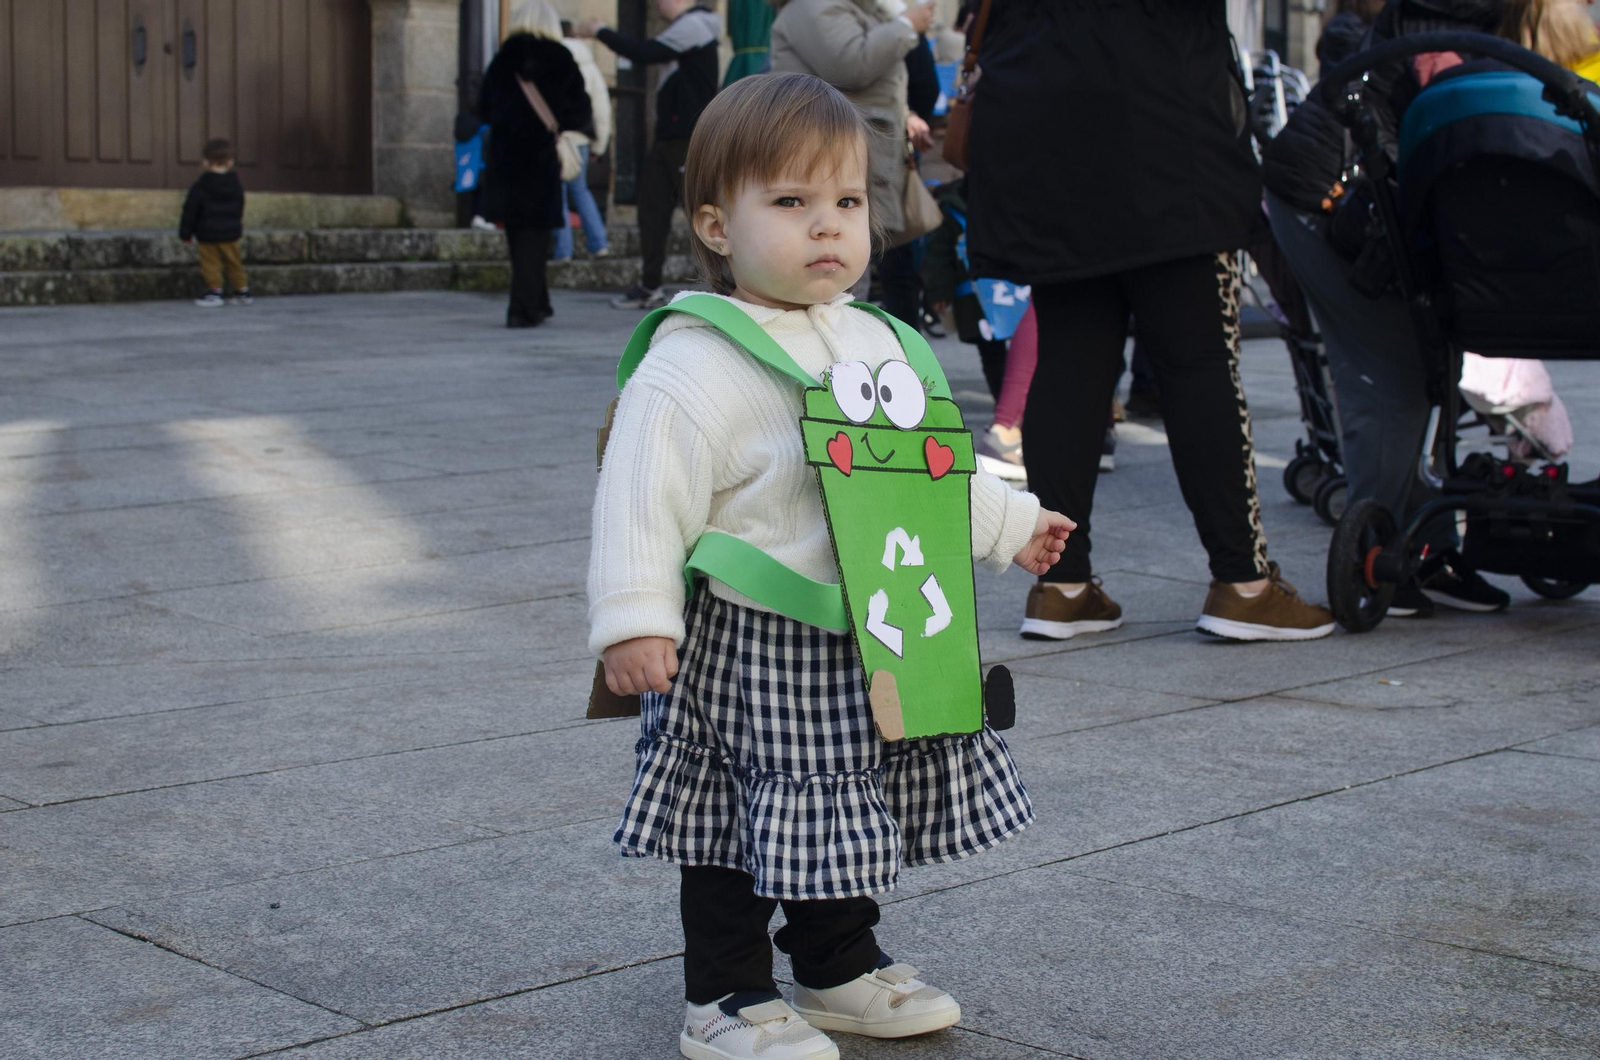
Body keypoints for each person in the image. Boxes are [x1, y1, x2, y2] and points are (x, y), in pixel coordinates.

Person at [589, 72, 1072, 1060]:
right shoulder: (697, 358)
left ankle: (836, 963)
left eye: (845, 202)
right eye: (792, 203)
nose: (827, 228)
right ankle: (723, 993)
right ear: (718, 227)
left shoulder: (881, 339)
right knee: (736, 813)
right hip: (751, 632)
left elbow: (928, 463)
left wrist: (1010, 521)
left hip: (874, 627)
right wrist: (636, 617)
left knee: (852, 798)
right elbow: (640, 493)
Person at [965, 0, 1336, 642]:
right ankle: (1243, 584)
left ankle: (1061, 586)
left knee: (1069, 359)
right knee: (1198, 360)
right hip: (1167, 122)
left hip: (1043, 118)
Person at [1262, 0, 1522, 617]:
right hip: (1332, 193)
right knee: (1391, 380)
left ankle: (1422, 549)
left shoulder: (1454, 16)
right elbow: (1445, 89)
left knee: (1403, 373)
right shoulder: (1453, 22)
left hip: (1338, 186)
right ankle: (1384, 552)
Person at [576, 0, 722, 310]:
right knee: (651, 211)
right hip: (668, 139)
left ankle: (727, 285)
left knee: (700, 212)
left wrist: (599, 31)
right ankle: (650, 284)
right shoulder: (687, 27)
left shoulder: (695, 25)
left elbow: (645, 52)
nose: (656, 3)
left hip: (688, 139)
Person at [770, 0, 936, 273]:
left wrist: (905, 116)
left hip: (852, 155)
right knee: (840, 268)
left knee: (855, 266)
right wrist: (905, 25)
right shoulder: (813, 5)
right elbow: (850, 65)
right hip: (827, 156)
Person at [479, 3, 592, 328]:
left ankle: (538, 302)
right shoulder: (560, 57)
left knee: (518, 236)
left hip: (506, 160)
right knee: (538, 235)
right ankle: (522, 310)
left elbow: (484, 107)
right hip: (540, 158)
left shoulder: (503, 59)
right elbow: (580, 112)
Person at [553, 14, 613, 261]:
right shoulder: (588, 64)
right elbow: (601, 108)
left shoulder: (552, 61)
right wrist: (600, 143)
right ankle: (598, 243)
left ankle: (563, 251)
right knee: (581, 191)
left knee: (557, 194)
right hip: (581, 139)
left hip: (558, 139)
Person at [180, 139, 250, 309]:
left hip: (207, 233)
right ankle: (242, 290)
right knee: (234, 262)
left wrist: (186, 233)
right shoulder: (236, 184)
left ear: (205, 162)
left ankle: (215, 292)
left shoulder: (201, 186)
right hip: (230, 232)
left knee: (211, 264)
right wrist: (236, 225)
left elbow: (190, 210)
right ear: (230, 162)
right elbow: (240, 206)